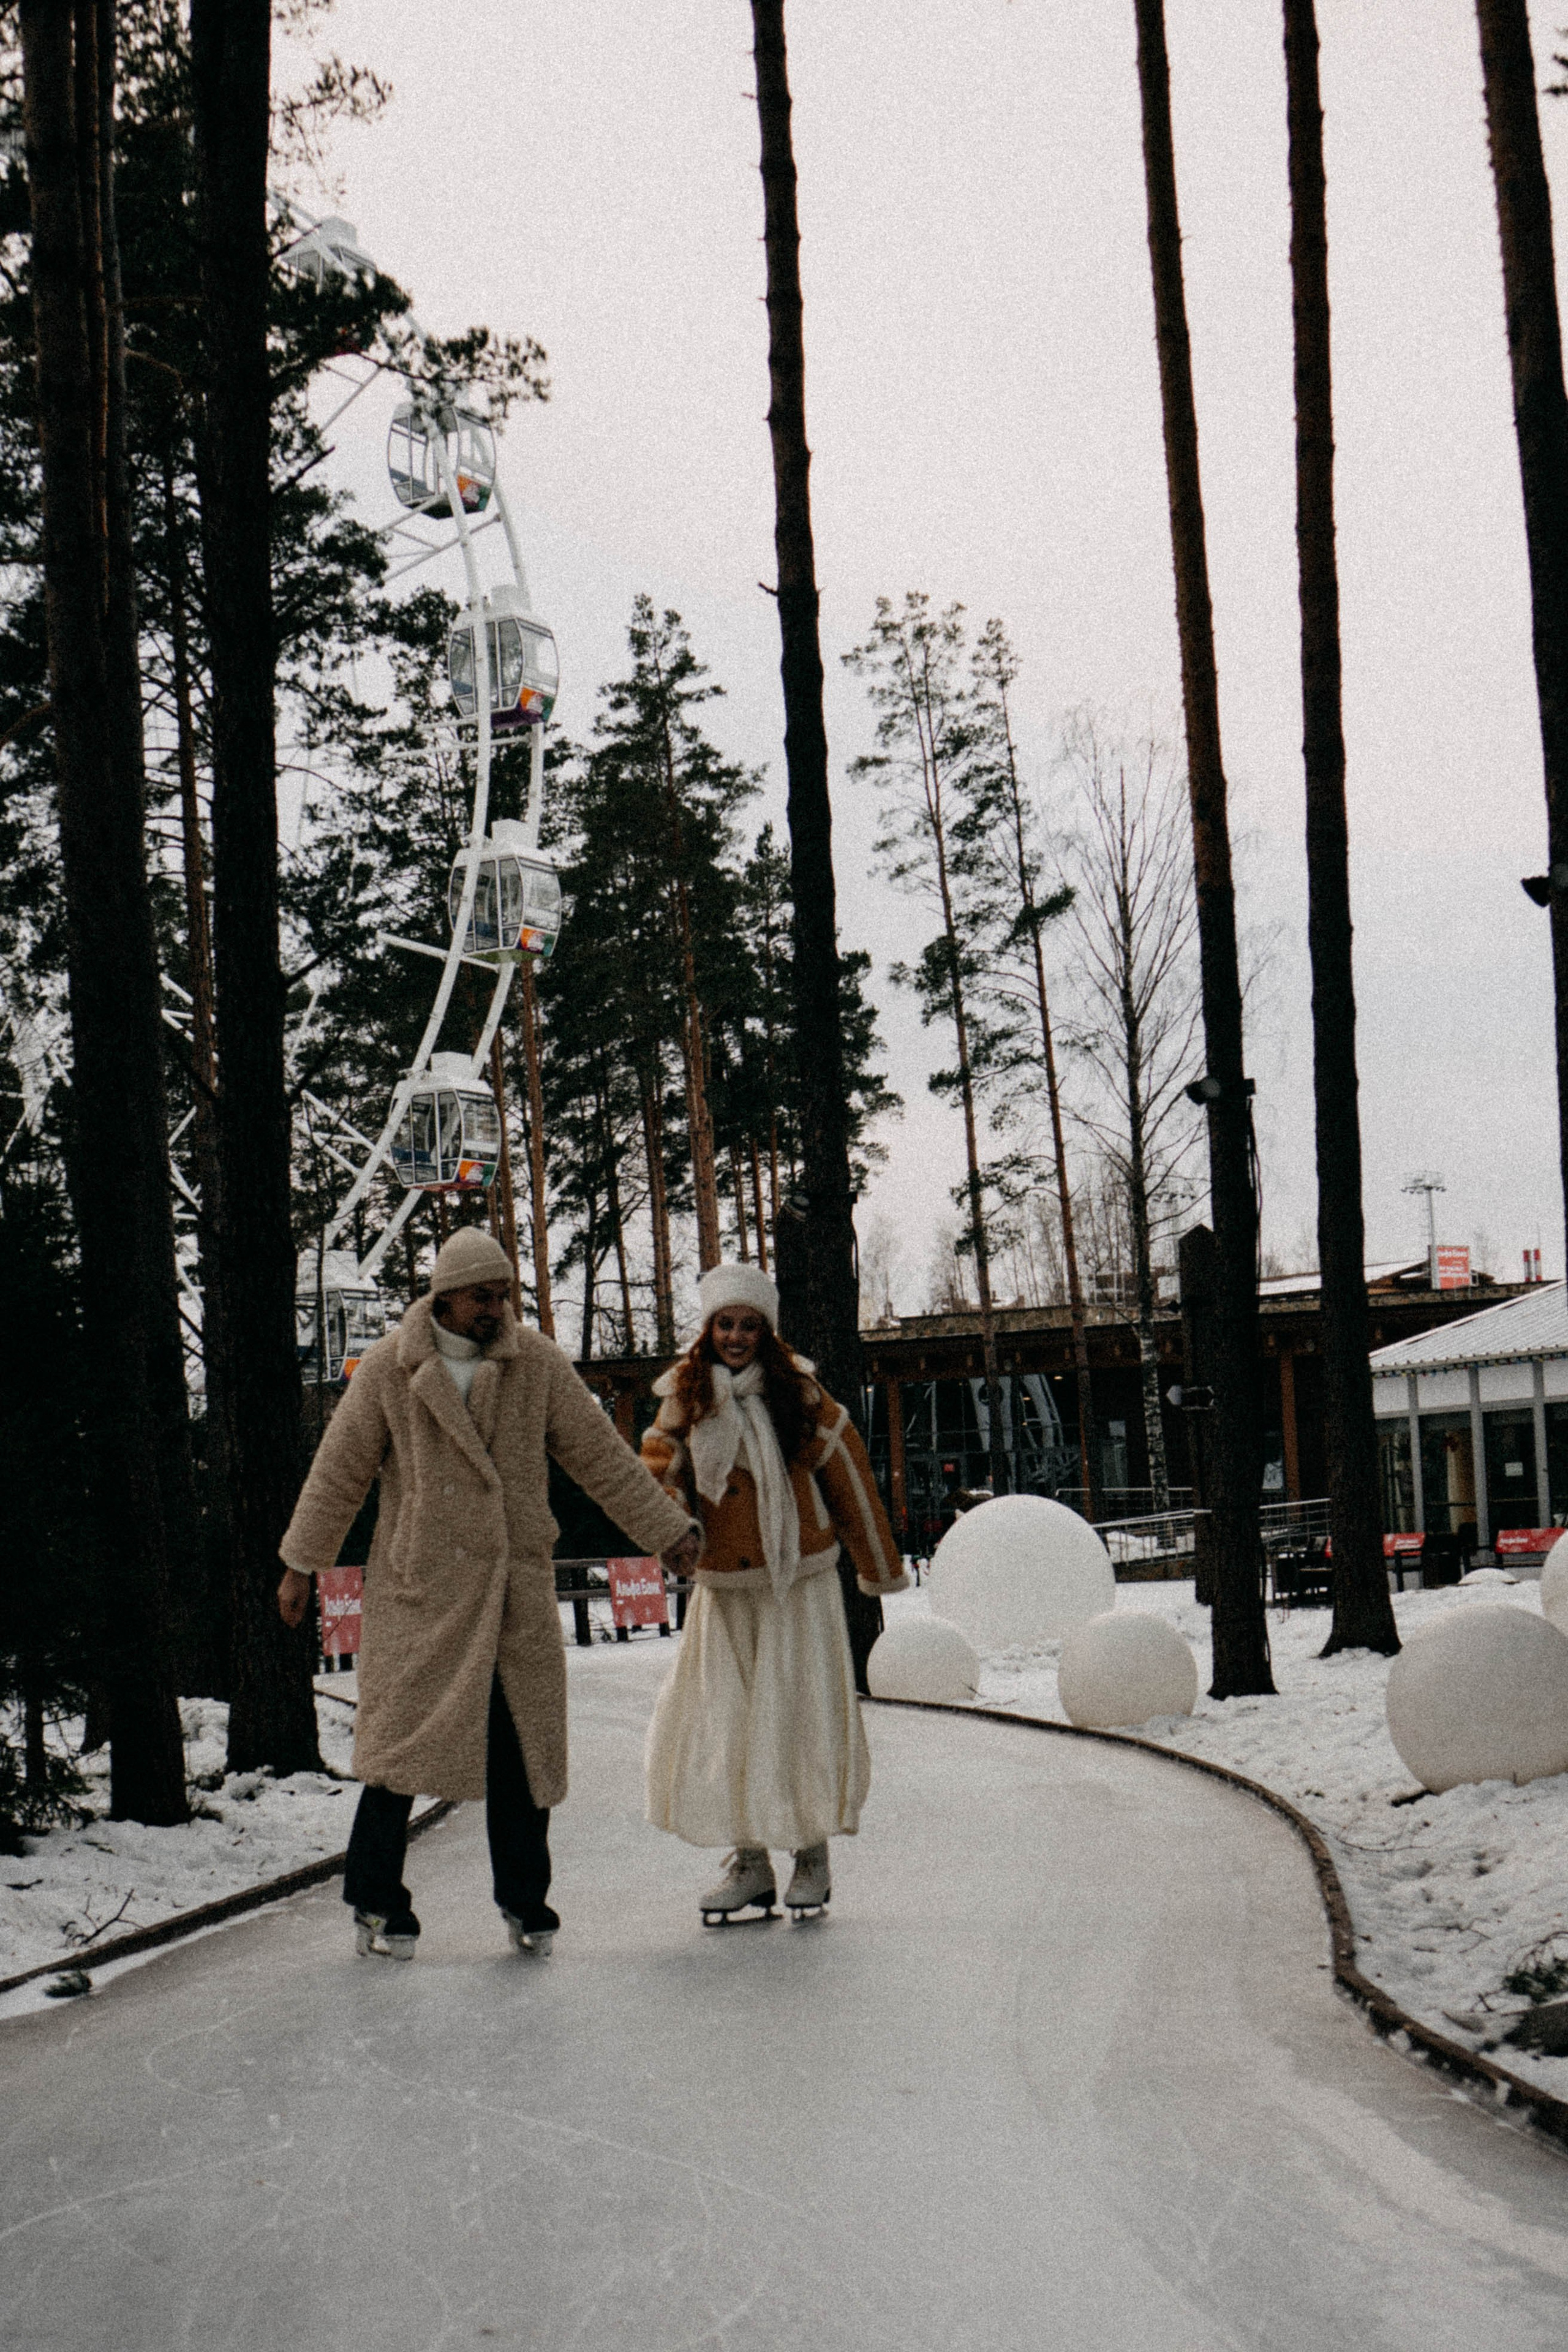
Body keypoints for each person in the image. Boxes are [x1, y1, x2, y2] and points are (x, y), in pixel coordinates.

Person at [277, 1225, 699, 1962]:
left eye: (503, 1295)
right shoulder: (390, 1368)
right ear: (444, 1296)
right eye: (481, 1296)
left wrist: (666, 1531)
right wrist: (300, 1565)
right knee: (400, 1753)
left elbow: (601, 1457)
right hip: (422, 1592)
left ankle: (526, 1900)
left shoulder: (534, 1364)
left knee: (523, 1753)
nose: (495, 1309)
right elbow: (338, 1472)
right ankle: (376, 1898)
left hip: (513, 1589)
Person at [641, 1263, 908, 1925]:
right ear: (709, 1329)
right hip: (725, 1585)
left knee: (798, 1717)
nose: (736, 1337)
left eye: (749, 1325)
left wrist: (878, 1568)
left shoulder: (801, 1395)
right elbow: (657, 1471)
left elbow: (849, 1477)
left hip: (797, 1582)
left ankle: (811, 1855)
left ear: (767, 1332)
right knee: (726, 1724)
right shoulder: (684, 1396)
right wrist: (674, 1526)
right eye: (725, 1324)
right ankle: (751, 1862)